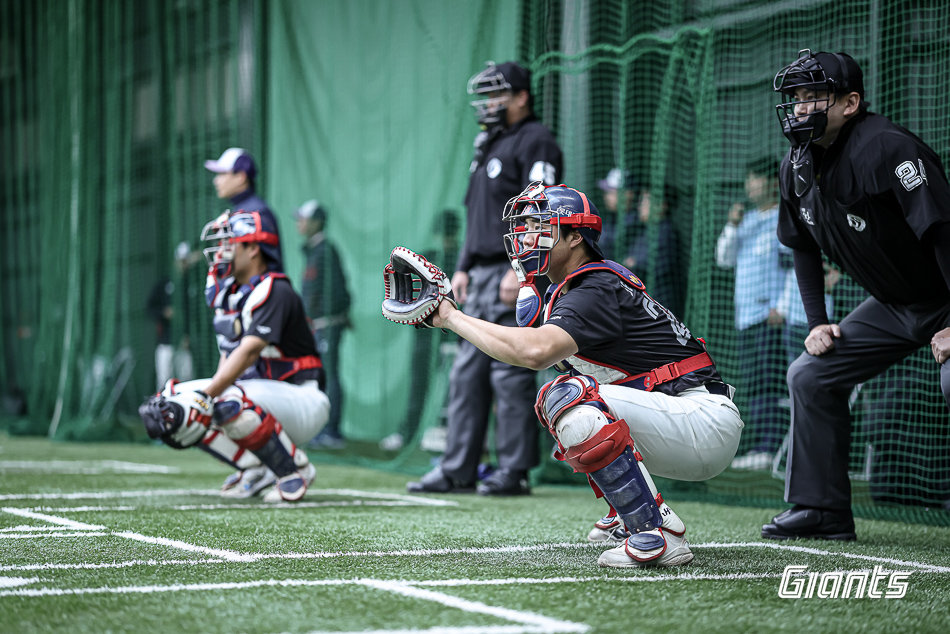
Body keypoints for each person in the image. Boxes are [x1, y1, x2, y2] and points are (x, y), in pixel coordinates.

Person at [388, 183, 743, 567]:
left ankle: (657, 532)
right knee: (565, 398)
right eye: (523, 227)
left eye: (539, 225)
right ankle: (627, 514)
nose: (525, 236)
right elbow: (529, 348)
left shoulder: (594, 286)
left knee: (569, 398)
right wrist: (452, 316)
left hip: (702, 421)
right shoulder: (578, 287)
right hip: (678, 416)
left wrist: (450, 317)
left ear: (575, 237)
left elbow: (532, 352)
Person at [762, 50, 950, 540]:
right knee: (810, 374)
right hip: (892, 305)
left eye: (815, 96)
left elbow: (944, 237)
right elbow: (802, 247)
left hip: (945, 298)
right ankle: (821, 511)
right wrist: (817, 321)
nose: (802, 108)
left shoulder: (888, 149)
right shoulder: (795, 165)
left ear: (850, 102)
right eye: (797, 98)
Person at [406, 61, 563, 496]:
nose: (490, 103)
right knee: (466, 371)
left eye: (498, 94)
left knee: (508, 372)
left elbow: (539, 210)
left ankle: (513, 471)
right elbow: (476, 216)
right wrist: (462, 265)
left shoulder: (537, 140)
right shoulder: (487, 142)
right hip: (478, 272)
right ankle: (458, 468)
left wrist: (522, 268)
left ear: (521, 97)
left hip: (511, 269)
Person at [138, 210, 329, 503]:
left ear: (253, 249)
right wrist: (203, 397)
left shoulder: (274, 289)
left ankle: (294, 470)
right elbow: (228, 361)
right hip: (261, 397)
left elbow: (249, 352)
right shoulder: (230, 295)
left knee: (223, 400)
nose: (222, 251)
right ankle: (254, 467)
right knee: (167, 407)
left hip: (302, 399)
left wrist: (206, 395)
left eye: (231, 243)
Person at [715, 157, 787, 470]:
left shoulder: (784, 216)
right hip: (746, 317)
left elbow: (794, 266)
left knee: (772, 381)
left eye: (755, 179)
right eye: (749, 179)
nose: (750, 186)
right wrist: (732, 224)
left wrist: (782, 305)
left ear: (772, 182)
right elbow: (724, 259)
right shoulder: (745, 220)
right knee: (756, 382)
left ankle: (772, 446)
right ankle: (762, 446)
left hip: (772, 316)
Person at [381, 209, 462, 452]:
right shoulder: (429, 258)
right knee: (420, 385)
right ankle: (409, 433)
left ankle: (448, 435)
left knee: (454, 387)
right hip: (426, 334)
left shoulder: (460, 259)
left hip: (453, 334)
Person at [294, 199, 352, 450]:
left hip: (327, 325)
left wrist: (331, 317)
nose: (299, 223)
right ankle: (322, 430)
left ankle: (332, 432)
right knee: (320, 376)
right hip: (317, 325)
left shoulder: (326, 251)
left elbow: (339, 291)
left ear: (317, 222)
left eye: (303, 218)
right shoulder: (314, 251)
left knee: (329, 376)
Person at [204, 147, 283, 271]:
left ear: (241, 177)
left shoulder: (256, 212)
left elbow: (267, 269)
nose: (216, 180)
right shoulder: (244, 209)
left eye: (222, 174)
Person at [146, 242, 200, 390]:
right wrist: (164, 312)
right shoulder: (164, 283)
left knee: (187, 379)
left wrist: (189, 335)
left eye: (186, 261)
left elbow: (194, 315)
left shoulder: (192, 283)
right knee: (164, 381)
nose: (183, 264)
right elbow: (150, 308)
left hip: (184, 343)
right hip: (166, 342)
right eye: (181, 261)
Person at [624, 186, 681, 316]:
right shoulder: (646, 231)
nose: (640, 206)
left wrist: (632, 264)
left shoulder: (666, 233)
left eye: (646, 201)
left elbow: (640, 266)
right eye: (641, 201)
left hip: (660, 310)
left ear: (662, 206)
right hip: (645, 308)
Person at [595, 168, 637, 262]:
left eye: (611, 192)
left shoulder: (637, 222)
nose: (606, 197)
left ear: (628, 194)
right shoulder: (611, 217)